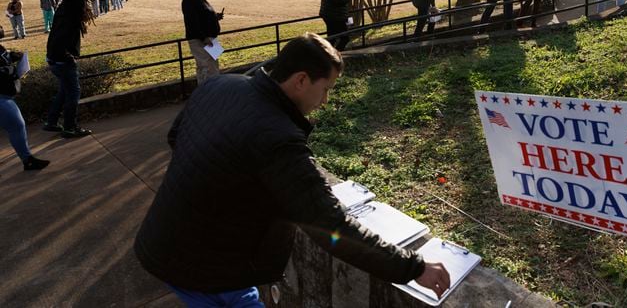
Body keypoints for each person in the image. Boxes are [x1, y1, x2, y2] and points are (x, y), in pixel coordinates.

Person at [134, 33, 451, 306]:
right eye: (325, 89)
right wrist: (415, 267)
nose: (325, 101)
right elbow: (329, 223)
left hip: (166, 241)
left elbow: (177, 136)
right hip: (200, 268)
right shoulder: (277, 141)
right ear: (300, 80)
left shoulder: (219, 85)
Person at [43, 0, 94, 138]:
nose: (86, 2)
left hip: (53, 59)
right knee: (73, 93)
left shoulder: (63, 11)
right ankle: (70, 127)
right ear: (78, 2)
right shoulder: (69, 18)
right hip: (62, 62)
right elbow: (60, 40)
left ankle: (51, 122)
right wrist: (68, 57)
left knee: (64, 91)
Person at [0, 45, 49, 171]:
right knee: (17, 124)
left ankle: (28, 161)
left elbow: (3, 58)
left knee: (16, 125)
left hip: (6, 95)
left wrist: (12, 56)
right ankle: (28, 161)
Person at [182, 0, 224, 86]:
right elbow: (192, 22)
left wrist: (215, 17)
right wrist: (203, 38)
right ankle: (209, 92)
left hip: (210, 38)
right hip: (201, 39)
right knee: (206, 66)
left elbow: (203, 15)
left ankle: (211, 90)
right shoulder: (189, 0)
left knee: (213, 64)